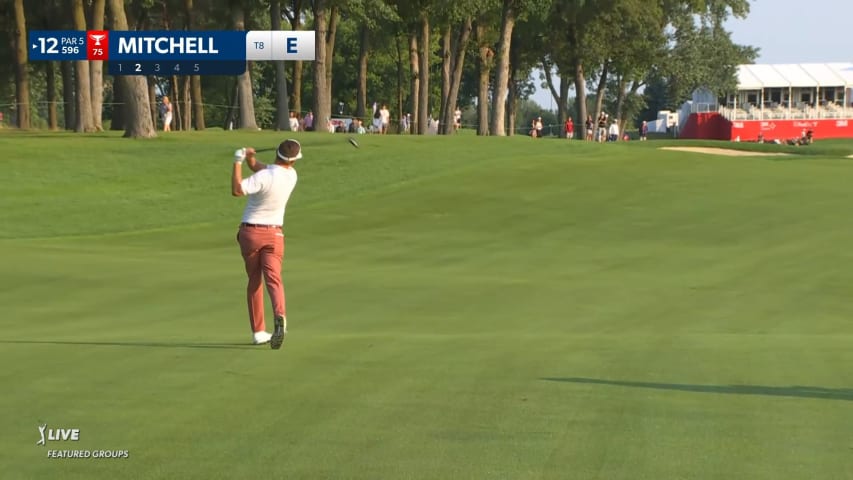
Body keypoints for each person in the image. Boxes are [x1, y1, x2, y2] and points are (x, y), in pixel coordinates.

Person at [231, 140, 301, 349]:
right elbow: (260, 168)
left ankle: (259, 332)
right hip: (275, 235)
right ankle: (280, 315)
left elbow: (237, 190)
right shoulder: (291, 176)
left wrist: (237, 161)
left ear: (277, 154)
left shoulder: (265, 176)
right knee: (274, 279)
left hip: (251, 233)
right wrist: (251, 158)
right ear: (294, 160)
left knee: (255, 281)